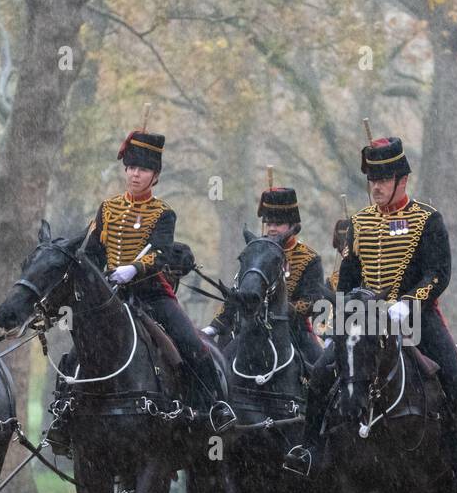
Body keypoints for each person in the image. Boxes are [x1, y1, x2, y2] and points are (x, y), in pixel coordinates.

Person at [284, 135, 457, 489]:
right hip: (363, 319)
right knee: (320, 373)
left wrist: (407, 304)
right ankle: (310, 449)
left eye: (382, 179)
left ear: (402, 180)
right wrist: (342, 318)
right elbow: (347, 281)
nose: (375, 187)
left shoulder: (428, 220)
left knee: (456, 379)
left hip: (416, 318)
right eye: (372, 180)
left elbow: (438, 274)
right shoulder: (359, 224)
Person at [82, 129, 225, 411]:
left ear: (155, 176)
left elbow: (160, 255)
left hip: (153, 295)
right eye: (131, 168)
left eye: (143, 169)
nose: (135, 174)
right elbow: (92, 254)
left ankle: (213, 409)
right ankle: (67, 409)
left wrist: (134, 269)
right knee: (79, 346)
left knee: (194, 346)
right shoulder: (107, 208)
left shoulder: (163, 213)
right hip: (112, 295)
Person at [204, 186, 327, 366]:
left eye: (278, 224)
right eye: (269, 224)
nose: (272, 229)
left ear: (292, 225)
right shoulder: (255, 253)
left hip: (294, 330)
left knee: (320, 370)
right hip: (254, 328)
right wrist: (215, 325)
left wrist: (282, 310)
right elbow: (238, 292)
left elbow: (313, 301)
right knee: (221, 366)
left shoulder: (310, 258)